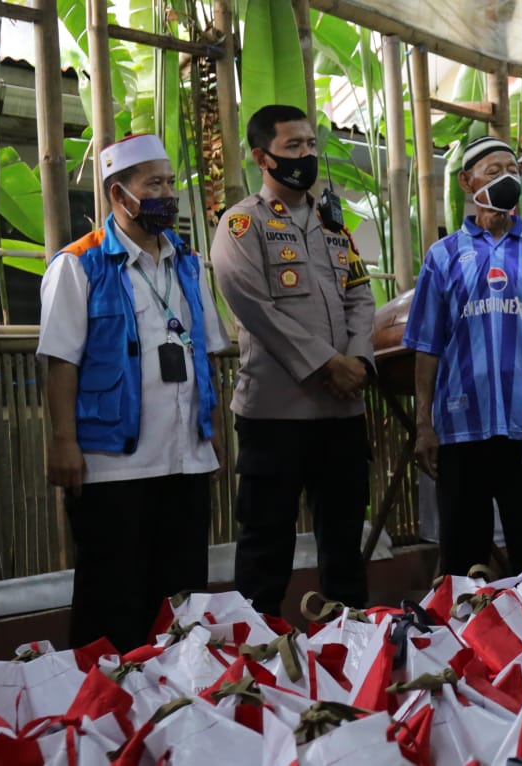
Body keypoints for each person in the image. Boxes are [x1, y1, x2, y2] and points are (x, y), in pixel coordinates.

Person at [38, 133, 229, 651]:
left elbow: (206, 354)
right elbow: (60, 361)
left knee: (180, 598)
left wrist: (210, 433)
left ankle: (173, 702)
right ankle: (105, 708)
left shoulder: (186, 262)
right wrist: (62, 442)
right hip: (112, 465)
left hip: (184, 458)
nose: (167, 193)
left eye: (170, 182)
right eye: (154, 184)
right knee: (113, 600)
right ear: (118, 195)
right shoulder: (79, 265)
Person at [211, 104, 376, 617]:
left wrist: (360, 360)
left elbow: (360, 295)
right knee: (266, 541)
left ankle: (352, 641)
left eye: (310, 145)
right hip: (275, 415)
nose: (307, 156)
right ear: (263, 157)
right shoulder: (241, 224)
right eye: (293, 147)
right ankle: (255, 647)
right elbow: (253, 308)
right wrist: (329, 364)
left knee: (345, 537)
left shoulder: (333, 225)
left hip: (342, 414)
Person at [404, 136, 522, 580]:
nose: (507, 177)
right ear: (466, 181)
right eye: (493, 171)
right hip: (460, 431)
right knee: (460, 563)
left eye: (512, 169)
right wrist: (424, 425)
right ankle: (460, 646)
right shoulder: (443, 256)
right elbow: (427, 346)